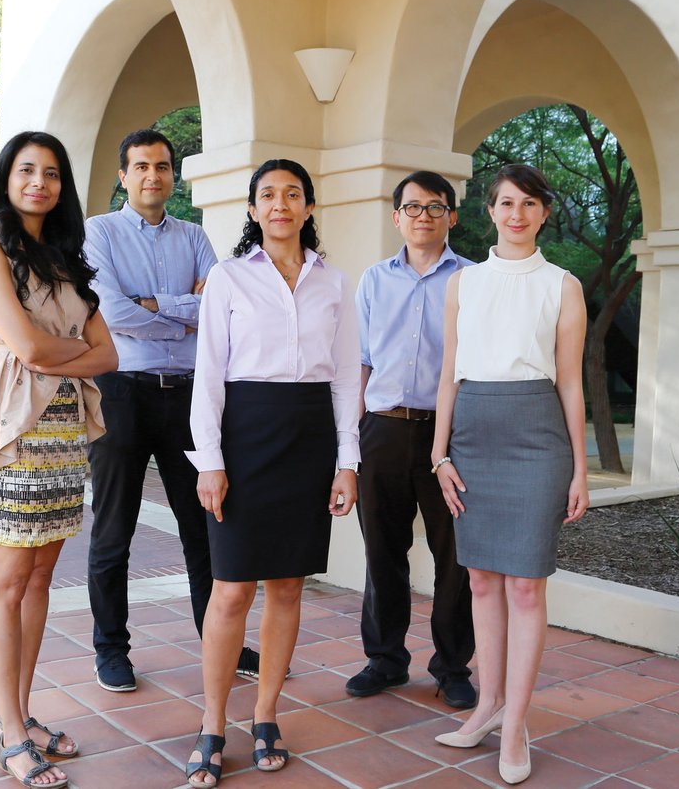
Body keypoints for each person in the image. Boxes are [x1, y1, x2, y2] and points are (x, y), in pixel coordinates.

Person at [0, 131, 119, 788]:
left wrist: (56, 349)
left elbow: (111, 354)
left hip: (65, 431)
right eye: (26, 170)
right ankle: (10, 732)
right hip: (15, 426)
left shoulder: (65, 259)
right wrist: (62, 348)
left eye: (50, 172)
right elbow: (31, 348)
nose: (39, 182)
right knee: (8, 579)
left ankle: (21, 712)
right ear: (6, 178)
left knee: (42, 577)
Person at [182, 159, 361, 787]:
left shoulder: (336, 282)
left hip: (310, 439)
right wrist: (211, 460)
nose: (280, 204)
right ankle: (211, 723)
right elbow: (207, 376)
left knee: (287, 587)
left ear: (309, 208)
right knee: (231, 589)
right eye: (267, 195)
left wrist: (347, 462)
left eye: (293, 194)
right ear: (253, 210)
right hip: (245, 436)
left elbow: (344, 378)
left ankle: (264, 715)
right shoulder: (227, 278)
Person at [84, 129, 263, 692]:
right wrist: (183, 309)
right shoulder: (100, 233)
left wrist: (155, 304)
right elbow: (111, 312)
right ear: (124, 176)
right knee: (115, 529)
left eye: (161, 167)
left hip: (188, 393)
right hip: (121, 390)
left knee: (203, 525)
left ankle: (219, 637)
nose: (152, 177)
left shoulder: (195, 236)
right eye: (140, 167)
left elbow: (221, 306)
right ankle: (111, 649)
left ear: (172, 175)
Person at [430, 163, 589, 785]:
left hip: (537, 436)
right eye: (505, 203)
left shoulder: (563, 286)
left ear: (543, 212)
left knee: (525, 586)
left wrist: (580, 468)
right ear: (489, 212)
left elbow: (571, 382)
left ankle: (516, 723)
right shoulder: (463, 284)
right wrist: (439, 454)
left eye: (528, 203)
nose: (516, 214)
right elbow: (448, 374)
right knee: (481, 583)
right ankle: (487, 707)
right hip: (473, 432)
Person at [346, 171, 476, 709]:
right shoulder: (374, 281)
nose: (424, 215)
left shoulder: (473, 279)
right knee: (382, 549)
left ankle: (451, 666)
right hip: (382, 430)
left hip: (450, 435)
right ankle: (385, 659)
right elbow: (359, 364)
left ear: (453, 216)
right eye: (413, 207)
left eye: (435, 207)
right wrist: (348, 446)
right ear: (396, 216)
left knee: (455, 557)